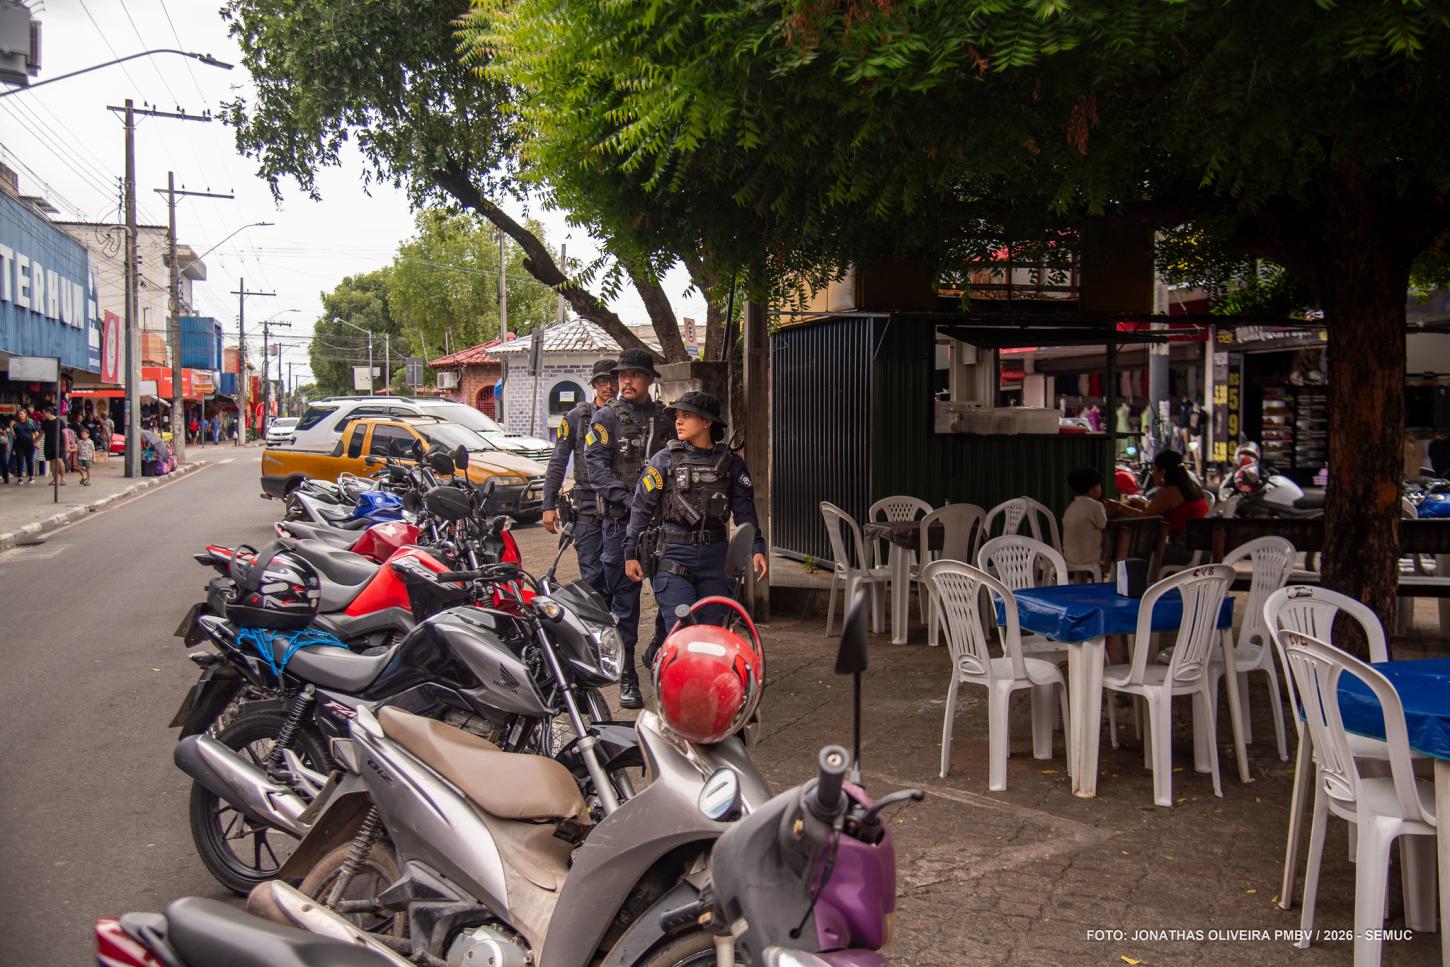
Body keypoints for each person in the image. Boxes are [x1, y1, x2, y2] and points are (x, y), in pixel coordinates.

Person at [624, 391, 768, 667]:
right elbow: (640, 509)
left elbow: (745, 511)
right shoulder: (663, 461)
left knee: (713, 636)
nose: (678, 421)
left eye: (686, 415)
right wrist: (630, 552)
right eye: (677, 415)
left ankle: (709, 696)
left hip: (716, 558)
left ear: (707, 423)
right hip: (674, 555)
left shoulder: (731, 464)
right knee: (684, 633)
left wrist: (757, 547)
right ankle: (676, 691)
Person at [584, 347, 673, 708]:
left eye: (634, 375)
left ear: (650, 379)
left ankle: (658, 647)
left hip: (663, 526)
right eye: (622, 376)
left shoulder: (667, 419)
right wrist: (631, 498)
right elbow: (596, 469)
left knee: (672, 597)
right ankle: (627, 676)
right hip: (620, 525)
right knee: (624, 605)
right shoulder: (606, 418)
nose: (626, 382)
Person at [541, 358, 617, 597]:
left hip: (620, 507)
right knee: (592, 576)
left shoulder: (628, 417)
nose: (609, 386)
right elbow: (558, 461)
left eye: (613, 379)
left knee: (619, 576)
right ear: (594, 384)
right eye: (602, 381)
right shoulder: (576, 418)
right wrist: (548, 504)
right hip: (587, 507)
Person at [1114, 449, 1210, 563]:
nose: (1152, 474)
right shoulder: (1191, 486)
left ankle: (1135, 580)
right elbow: (1166, 511)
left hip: (1184, 552)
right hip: (1203, 552)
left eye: (1154, 470)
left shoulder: (1169, 490)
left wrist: (1118, 507)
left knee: (1128, 550)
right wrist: (1143, 505)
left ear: (1163, 472)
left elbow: (1145, 518)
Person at [1063, 467, 1111, 574]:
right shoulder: (1096, 505)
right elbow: (1103, 524)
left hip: (1069, 557)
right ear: (1094, 488)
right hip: (1088, 557)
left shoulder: (1072, 506)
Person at [39, 407, 65, 486]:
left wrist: (67, 444)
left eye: (44, 413)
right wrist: (35, 441)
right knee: (52, 461)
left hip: (59, 443)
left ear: (49, 412)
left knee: (59, 460)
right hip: (48, 444)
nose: (43, 415)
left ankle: (63, 479)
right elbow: (41, 433)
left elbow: (65, 432)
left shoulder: (59, 421)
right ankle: (54, 479)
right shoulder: (44, 423)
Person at [11, 408, 36, 484]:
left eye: (22, 413)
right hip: (19, 443)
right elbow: (13, 435)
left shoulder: (30, 422)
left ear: (25, 415)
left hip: (30, 443)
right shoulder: (15, 423)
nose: (20, 415)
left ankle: (31, 477)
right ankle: (20, 478)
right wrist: (11, 426)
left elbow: (35, 431)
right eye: (19, 414)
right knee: (20, 460)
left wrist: (36, 441)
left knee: (30, 460)